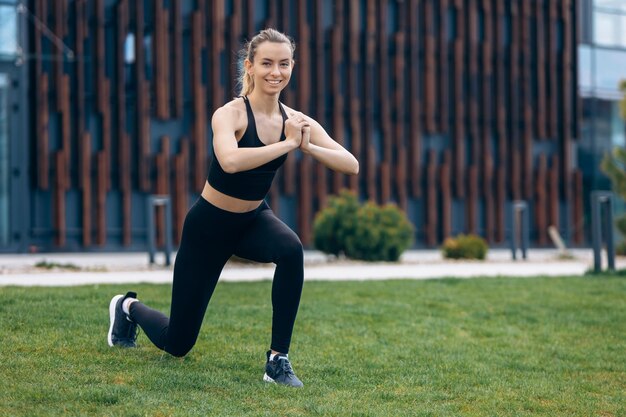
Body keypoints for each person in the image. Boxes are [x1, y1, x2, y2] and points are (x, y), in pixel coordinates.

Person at [107, 28, 359, 387]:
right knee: (177, 344)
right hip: (209, 228)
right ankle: (127, 308)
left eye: (284, 64)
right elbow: (230, 161)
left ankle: (278, 360)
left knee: (290, 249)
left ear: (292, 67)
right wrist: (287, 145)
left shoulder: (295, 120)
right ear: (250, 66)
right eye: (267, 63)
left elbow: (351, 164)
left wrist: (307, 146)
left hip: (253, 219)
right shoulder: (230, 114)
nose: (276, 71)